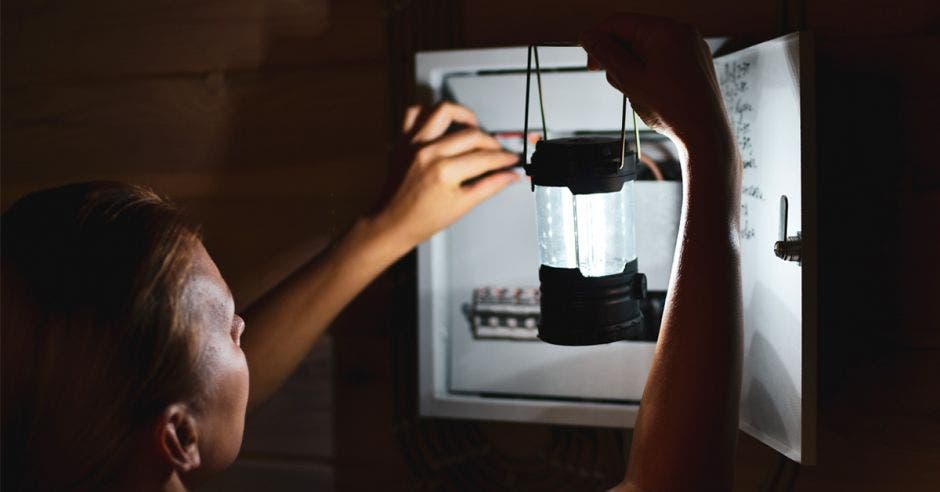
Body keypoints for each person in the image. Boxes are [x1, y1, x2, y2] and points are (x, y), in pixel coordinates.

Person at [0, 13, 741, 492]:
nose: (247, 331)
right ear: (177, 437)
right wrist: (709, 156)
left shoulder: (95, 450)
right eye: (229, 328)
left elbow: (215, 386)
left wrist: (385, 229)